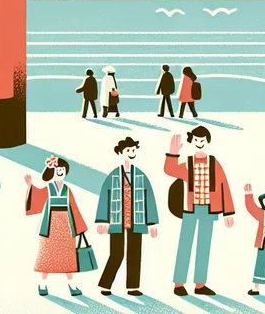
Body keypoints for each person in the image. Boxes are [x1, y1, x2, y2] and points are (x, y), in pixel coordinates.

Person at [164, 126, 235, 296]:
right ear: (192, 142)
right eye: (196, 140)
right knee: (185, 244)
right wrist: (172, 154)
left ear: (208, 142)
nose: (200, 143)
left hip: (209, 210)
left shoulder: (214, 162)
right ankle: (179, 284)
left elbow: (223, 185)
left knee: (203, 246)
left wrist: (228, 211)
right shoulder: (188, 163)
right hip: (190, 209)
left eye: (203, 140)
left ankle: (200, 284)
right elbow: (170, 170)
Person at [94, 137, 159, 296]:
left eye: (133, 150)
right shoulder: (113, 176)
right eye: (128, 150)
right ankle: (106, 284)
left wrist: (151, 223)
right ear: (121, 152)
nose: (131, 153)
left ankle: (133, 287)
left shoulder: (141, 176)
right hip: (116, 219)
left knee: (135, 253)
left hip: (137, 220)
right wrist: (102, 220)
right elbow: (104, 198)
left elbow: (149, 199)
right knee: (117, 253)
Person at [24, 155, 89, 296]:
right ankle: (42, 284)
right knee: (47, 256)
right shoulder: (48, 189)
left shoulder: (67, 190)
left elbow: (74, 208)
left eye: (62, 170)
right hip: (50, 226)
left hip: (66, 226)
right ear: (52, 171)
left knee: (67, 257)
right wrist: (30, 187)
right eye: (57, 169)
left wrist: (79, 228)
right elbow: (37, 199)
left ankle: (72, 285)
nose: (60, 172)